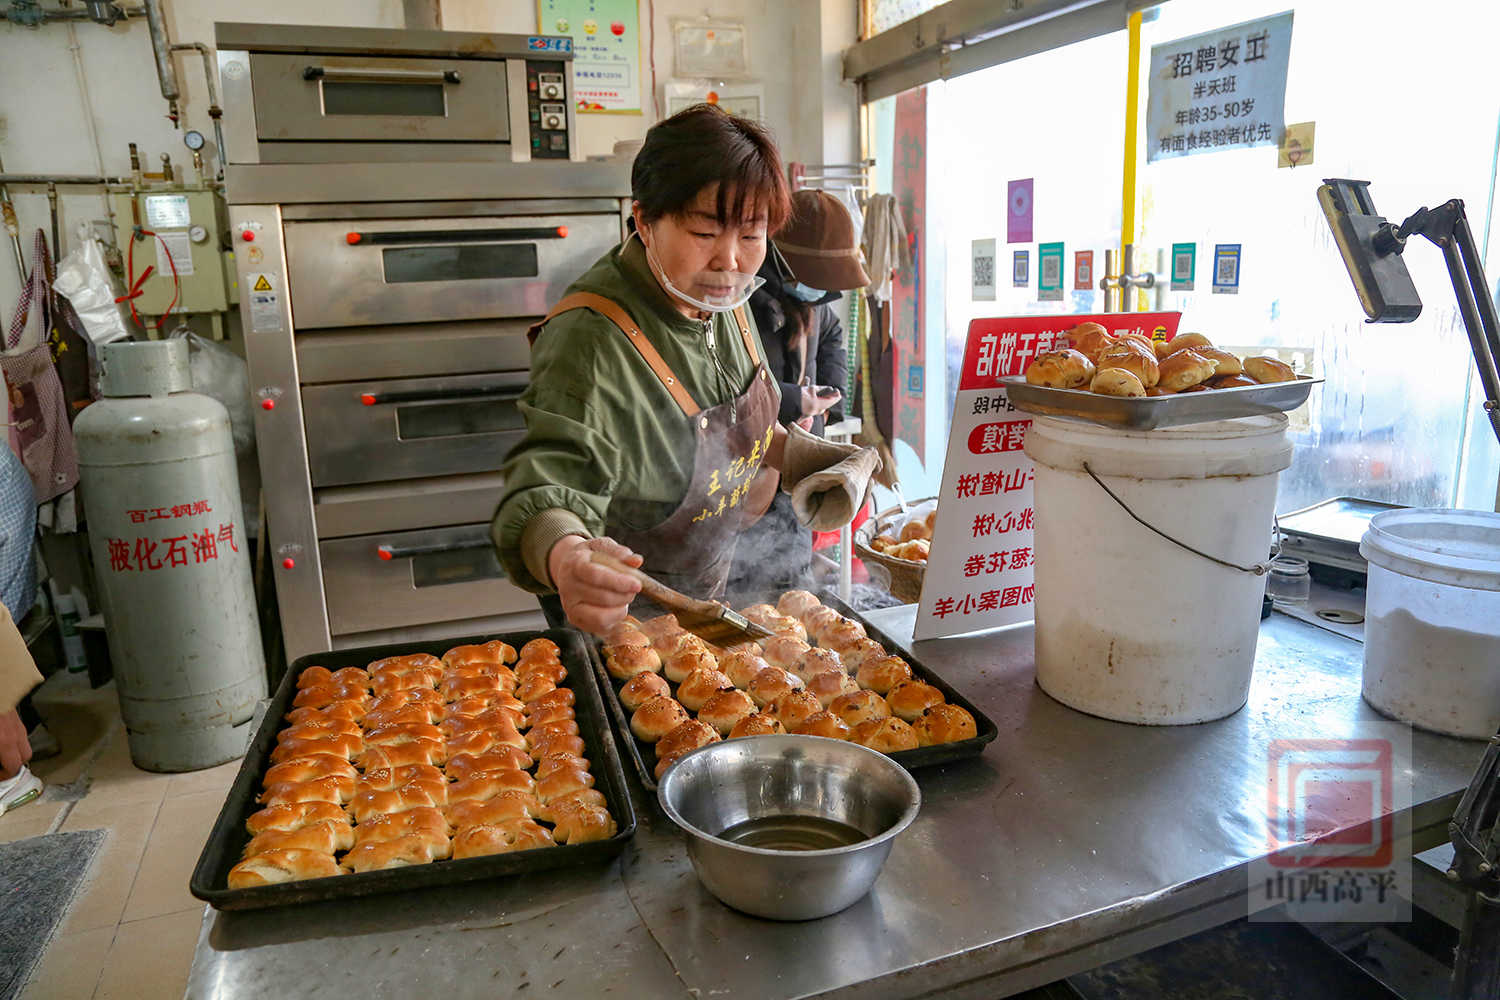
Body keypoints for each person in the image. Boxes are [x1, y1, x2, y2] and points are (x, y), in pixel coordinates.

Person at [492, 105, 884, 635]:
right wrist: (566, 556)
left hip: (712, 593)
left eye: (750, 236)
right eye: (704, 233)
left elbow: (726, 429)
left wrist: (810, 458)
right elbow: (546, 489)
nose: (730, 261)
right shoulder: (590, 338)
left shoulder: (727, 299)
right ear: (644, 221)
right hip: (627, 624)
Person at [726, 189, 870, 600]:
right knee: (746, 590)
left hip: (799, 459)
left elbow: (832, 338)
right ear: (785, 261)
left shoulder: (815, 296)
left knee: (792, 578)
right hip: (747, 466)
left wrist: (832, 392)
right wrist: (793, 400)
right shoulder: (739, 302)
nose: (823, 294)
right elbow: (728, 388)